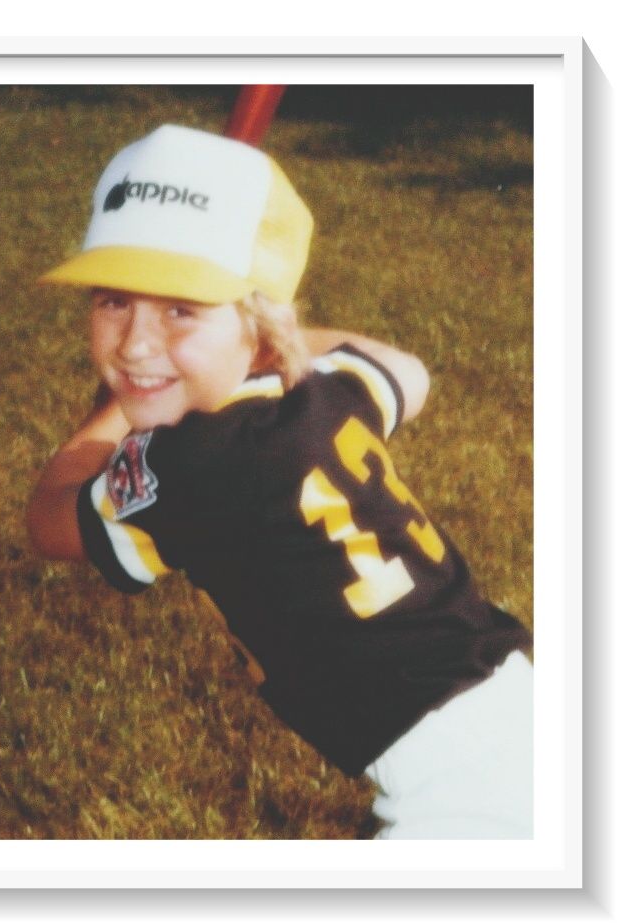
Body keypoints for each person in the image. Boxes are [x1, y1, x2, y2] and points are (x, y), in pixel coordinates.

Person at [27, 124, 533, 838]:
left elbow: (48, 521)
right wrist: (262, 343)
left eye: (180, 309)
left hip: (458, 796)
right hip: (509, 718)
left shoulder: (187, 466)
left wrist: (111, 415)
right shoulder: (330, 391)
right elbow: (406, 372)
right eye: (113, 300)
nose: (135, 342)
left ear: (260, 327)